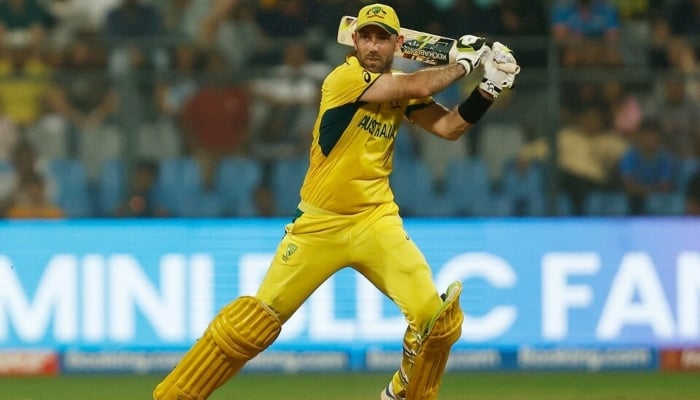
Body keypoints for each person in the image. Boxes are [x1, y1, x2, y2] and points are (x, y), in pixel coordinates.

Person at [153, 3, 519, 400]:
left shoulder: (400, 86)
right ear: (354, 40)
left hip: (375, 220)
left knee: (436, 320)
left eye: (382, 38)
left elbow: (450, 127)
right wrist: (464, 64)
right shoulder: (344, 78)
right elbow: (410, 87)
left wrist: (489, 88)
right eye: (366, 37)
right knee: (250, 325)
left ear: (398, 43)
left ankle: (401, 393)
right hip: (319, 225)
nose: (373, 46)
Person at [619, 118, 675, 215]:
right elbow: (627, 184)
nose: (650, 140)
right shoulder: (629, 156)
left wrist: (648, 192)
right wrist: (645, 191)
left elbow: (665, 186)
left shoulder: (665, 158)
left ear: (659, 139)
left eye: (653, 136)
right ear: (639, 137)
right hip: (632, 199)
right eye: (646, 135)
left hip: (657, 201)